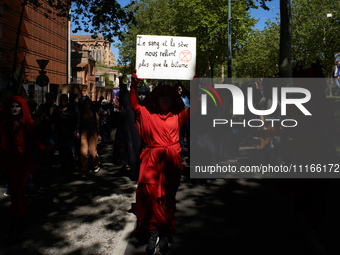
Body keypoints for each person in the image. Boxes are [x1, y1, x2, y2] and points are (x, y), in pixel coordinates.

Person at [130, 70, 189, 255]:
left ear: (173, 100)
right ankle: (152, 233)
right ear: (157, 97)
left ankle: (164, 234)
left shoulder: (178, 116)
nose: (165, 98)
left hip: (171, 162)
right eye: (161, 95)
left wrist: (194, 84)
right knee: (149, 198)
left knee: (168, 199)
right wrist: (134, 84)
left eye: (168, 96)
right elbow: (134, 105)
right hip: (150, 161)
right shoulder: (147, 113)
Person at [0, 96, 53, 242]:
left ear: (22, 108)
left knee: (17, 192)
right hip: (9, 163)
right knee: (17, 193)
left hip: (24, 163)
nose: (15, 109)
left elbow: (36, 143)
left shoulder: (29, 123)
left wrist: (48, 148)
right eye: (12, 106)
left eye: (17, 106)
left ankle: (16, 223)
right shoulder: (4, 125)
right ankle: (20, 220)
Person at [52, 94, 77, 174]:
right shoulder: (57, 110)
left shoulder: (71, 109)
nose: (63, 101)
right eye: (62, 99)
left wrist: (66, 115)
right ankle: (64, 168)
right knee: (61, 151)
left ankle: (72, 166)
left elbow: (74, 120)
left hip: (69, 133)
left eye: (64, 99)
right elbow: (53, 120)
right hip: (60, 133)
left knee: (69, 150)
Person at [76, 97, 101, 176]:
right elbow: (78, 123)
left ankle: (95, 164)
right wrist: (77, 132)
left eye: (88, 104)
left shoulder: (94, 113)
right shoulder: (81, 113)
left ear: (90, 105)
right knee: (83, 152)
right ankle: (84, 169)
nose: (87, 106)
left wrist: (98, 134)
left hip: (92, 133)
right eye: (85, 104)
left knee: (93, 152)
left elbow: (97, 124)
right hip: (84, 133)